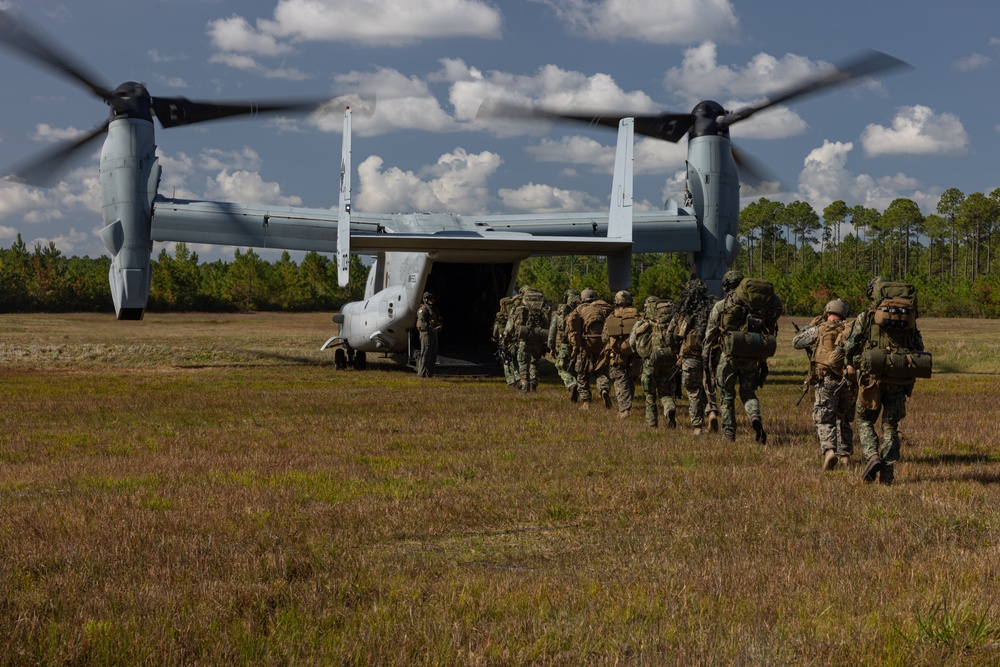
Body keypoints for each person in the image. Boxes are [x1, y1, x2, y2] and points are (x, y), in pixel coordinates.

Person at [843, 277, 927, 485]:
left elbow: (851, 345)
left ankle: (872, 456)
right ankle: (887, 475)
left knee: (864, 420)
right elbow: (919, 346)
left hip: (873, 377)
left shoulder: (868, 316)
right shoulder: (910, 318)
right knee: (890, 426)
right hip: (899, 379)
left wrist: (849, 362)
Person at [703, 270, 782, 443]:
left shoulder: (722, 306)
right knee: (748, 393)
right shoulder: (759, 307)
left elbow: (710, 335)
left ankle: (730, 434)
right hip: (751, 356)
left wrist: (705, 356)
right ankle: (755, 417)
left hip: (729, 355)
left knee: (726, 396)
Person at [792, 299, 857, 470]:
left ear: (827, 312)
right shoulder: (851, 330)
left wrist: (809, 327)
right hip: (849, 382)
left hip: (826, 380)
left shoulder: (820, 329)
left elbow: (796, 342)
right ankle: (845, 457)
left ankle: (829, 451)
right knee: (843, 419)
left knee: (824, 417)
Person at [668, 277, 719, 435]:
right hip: (711, 355)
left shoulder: (684, 314)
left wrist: (676, 350)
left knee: (693, 391)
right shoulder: (712, 310)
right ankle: (711, 412)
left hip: (691, 356)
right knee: (709, 387)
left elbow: (673, 335)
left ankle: (697, 426)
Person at [631, 298, 679, 428]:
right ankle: (669, 408)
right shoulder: (671, 321)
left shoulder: (643, 322)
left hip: (651, 360)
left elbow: (632, 342)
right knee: (665, 392)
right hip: (669, 359)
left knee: (650, 394)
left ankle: (652, 424)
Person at [566, 288, 613, 410]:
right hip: (600, 345)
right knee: (601, 372)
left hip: (584, 347)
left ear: (581, 299)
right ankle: (603, 389)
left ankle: (586, 402)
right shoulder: (600, 310)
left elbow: (572, 330)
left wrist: (575, 346)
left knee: (582, 374)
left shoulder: (579, 310)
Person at [504, 285, 551, 392]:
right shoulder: (543, 305)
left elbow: (510, 325)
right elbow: (548, 323)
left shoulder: (520, 306)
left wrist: (506, 337)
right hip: (539, 337)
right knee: (534, 362)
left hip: (523, 338)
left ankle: (525, 385)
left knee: (523, 363)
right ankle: (533, 382)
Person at [602, 290, 640, 418]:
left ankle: (624, 409)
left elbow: (604, 337)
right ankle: (629, 404)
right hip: (635, 353)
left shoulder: (612, 317)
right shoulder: (638, 316)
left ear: (616, 302)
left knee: (620, 379)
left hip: (617, 354)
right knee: (630, 379)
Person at [548, 289, 581, 401]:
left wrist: (551, 347)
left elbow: (552, 331)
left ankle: (571, 384)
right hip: (579, 345)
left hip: (564, 345)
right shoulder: (581, 311)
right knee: (577, 368)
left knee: (561, 367)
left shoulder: (560, 314)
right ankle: (581, 391)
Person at [492, 292, 521, 388]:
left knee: (506, 360)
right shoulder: (518, 312)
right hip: (517, 338)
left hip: (505, 338)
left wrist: (495, 338)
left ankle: (511, 381)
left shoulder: (501, 316)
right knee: (516, 358)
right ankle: (518, 378)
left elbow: (496, 329)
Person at [415, 291, 442, 377]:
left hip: (434, 334)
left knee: (433, 355)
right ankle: (421, 374)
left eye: (432, 299)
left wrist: (438, 325)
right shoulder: (422, 310)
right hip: (426, 334)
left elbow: (438, 319)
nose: (432, 300)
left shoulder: (434, 309)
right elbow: (423, 324)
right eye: (429, 299)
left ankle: (429, 374)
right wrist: (432, 329)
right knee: (425, 354)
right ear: (425, 299)